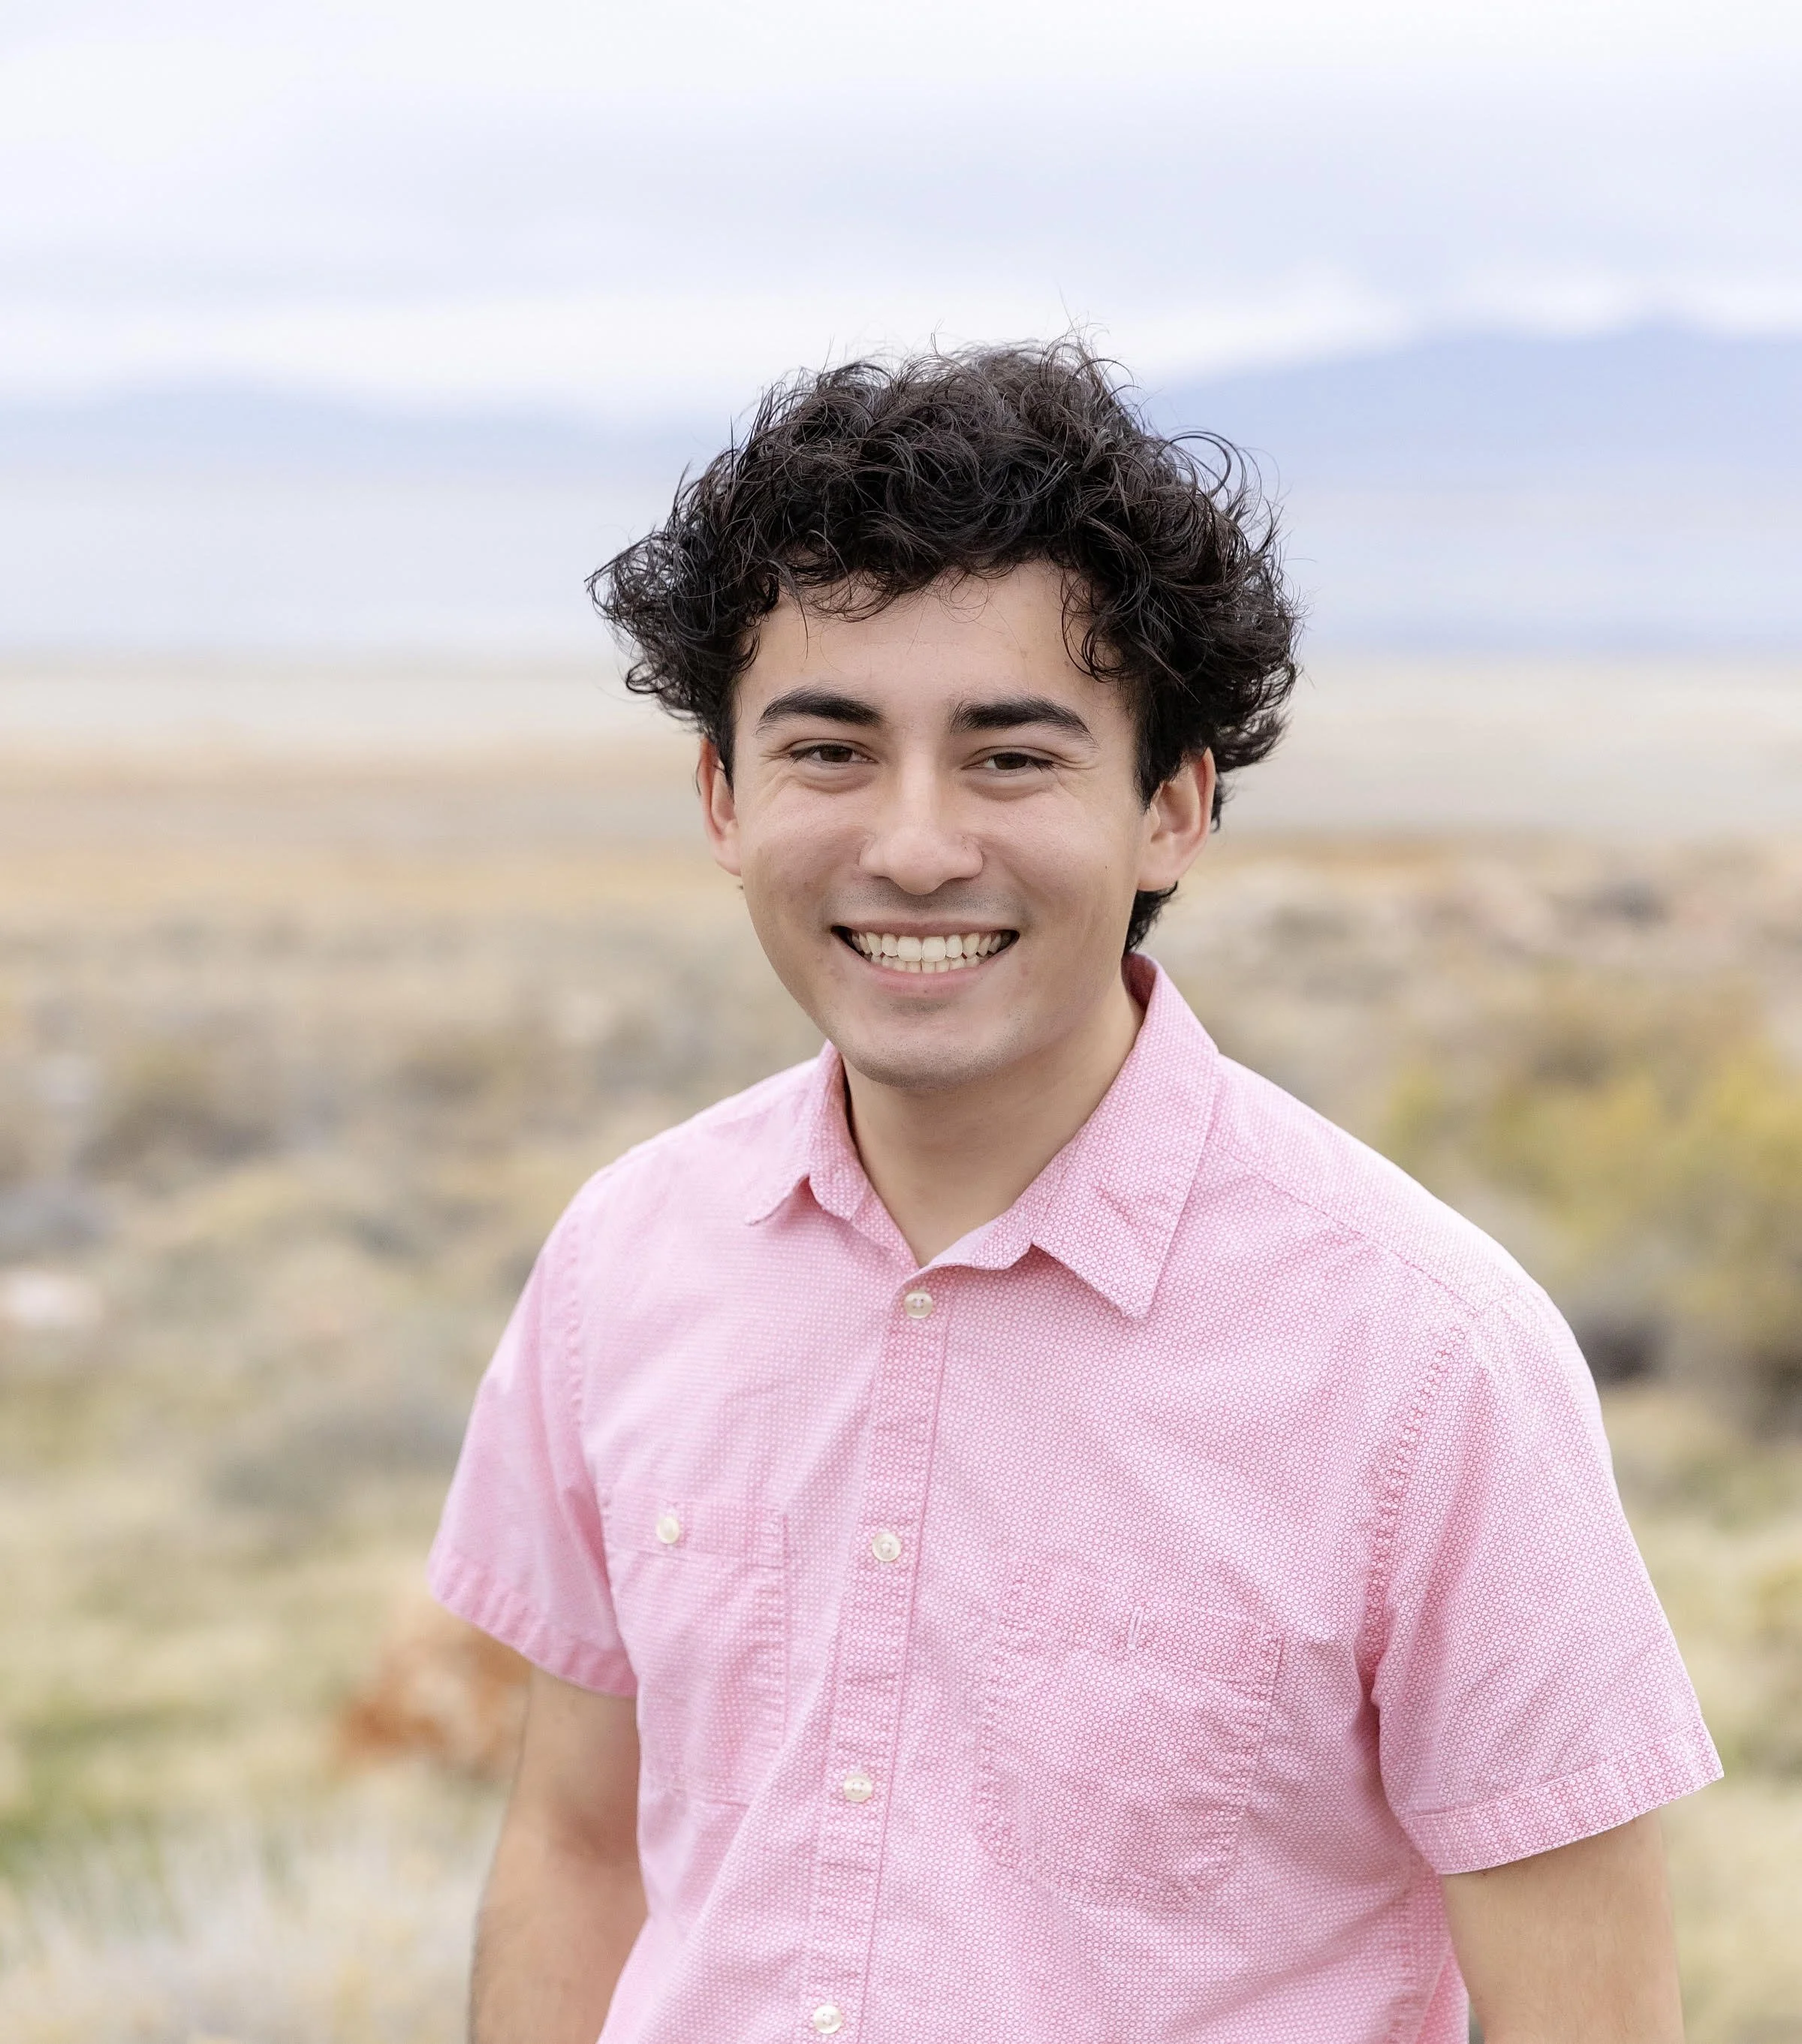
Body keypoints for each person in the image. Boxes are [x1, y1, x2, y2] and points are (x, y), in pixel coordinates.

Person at [429, 342, 1718, 2044]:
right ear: (724, 800)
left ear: (1172, 806)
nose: (912, 843)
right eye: (830, 749)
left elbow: (1588, 2004)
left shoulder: (1428, 1360)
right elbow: (583, 1842)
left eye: (1010, 756)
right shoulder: (624, 1260)